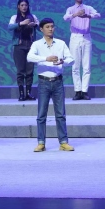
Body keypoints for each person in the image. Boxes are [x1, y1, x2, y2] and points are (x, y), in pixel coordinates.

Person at [27, 18, 75, 152]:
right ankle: (41, 142)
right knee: (41, 114)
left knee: (60, 114)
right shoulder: (37, 44)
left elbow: (71, 59)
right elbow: (29, 57)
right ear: (41, 29)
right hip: (43, 82)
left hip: (58, 81)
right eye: (47, 27)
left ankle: (63, 142)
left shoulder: (60, 43)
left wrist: (63, 61)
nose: (50, 29)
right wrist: (45, 58)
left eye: (52, 26)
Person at [63, 0, 101, 100]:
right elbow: (65, 18)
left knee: (86, 66)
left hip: (86, 37)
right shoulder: (71, 9)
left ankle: (84, 91)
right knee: (75, 66)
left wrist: (88, 15)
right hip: (75, 37)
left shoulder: (88, 8)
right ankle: (77, 91)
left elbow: (98, 15)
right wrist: (75, 14)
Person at [8, 0, 39, 101]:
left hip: (31, 46)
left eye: (25, 5)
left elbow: (40, 28)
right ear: (18, 6)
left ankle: (29, 93)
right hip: (19, 45)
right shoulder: (14, 17)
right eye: (22, 5)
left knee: (30, 70)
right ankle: (21, 93)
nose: (24, 7)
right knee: (20, 71)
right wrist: (21, 23)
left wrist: (34, 25)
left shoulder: (33, 17)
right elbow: (9, 27)